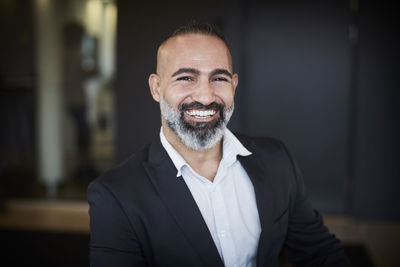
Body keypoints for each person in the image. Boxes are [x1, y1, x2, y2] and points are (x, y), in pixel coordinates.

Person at [88, 22, 350, 267]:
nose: (205, 96)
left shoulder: (277, 160)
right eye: (186, 78)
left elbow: (321, 254)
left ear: (233, 86)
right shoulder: (115, 195)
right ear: (157, 88)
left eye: (219, 78)